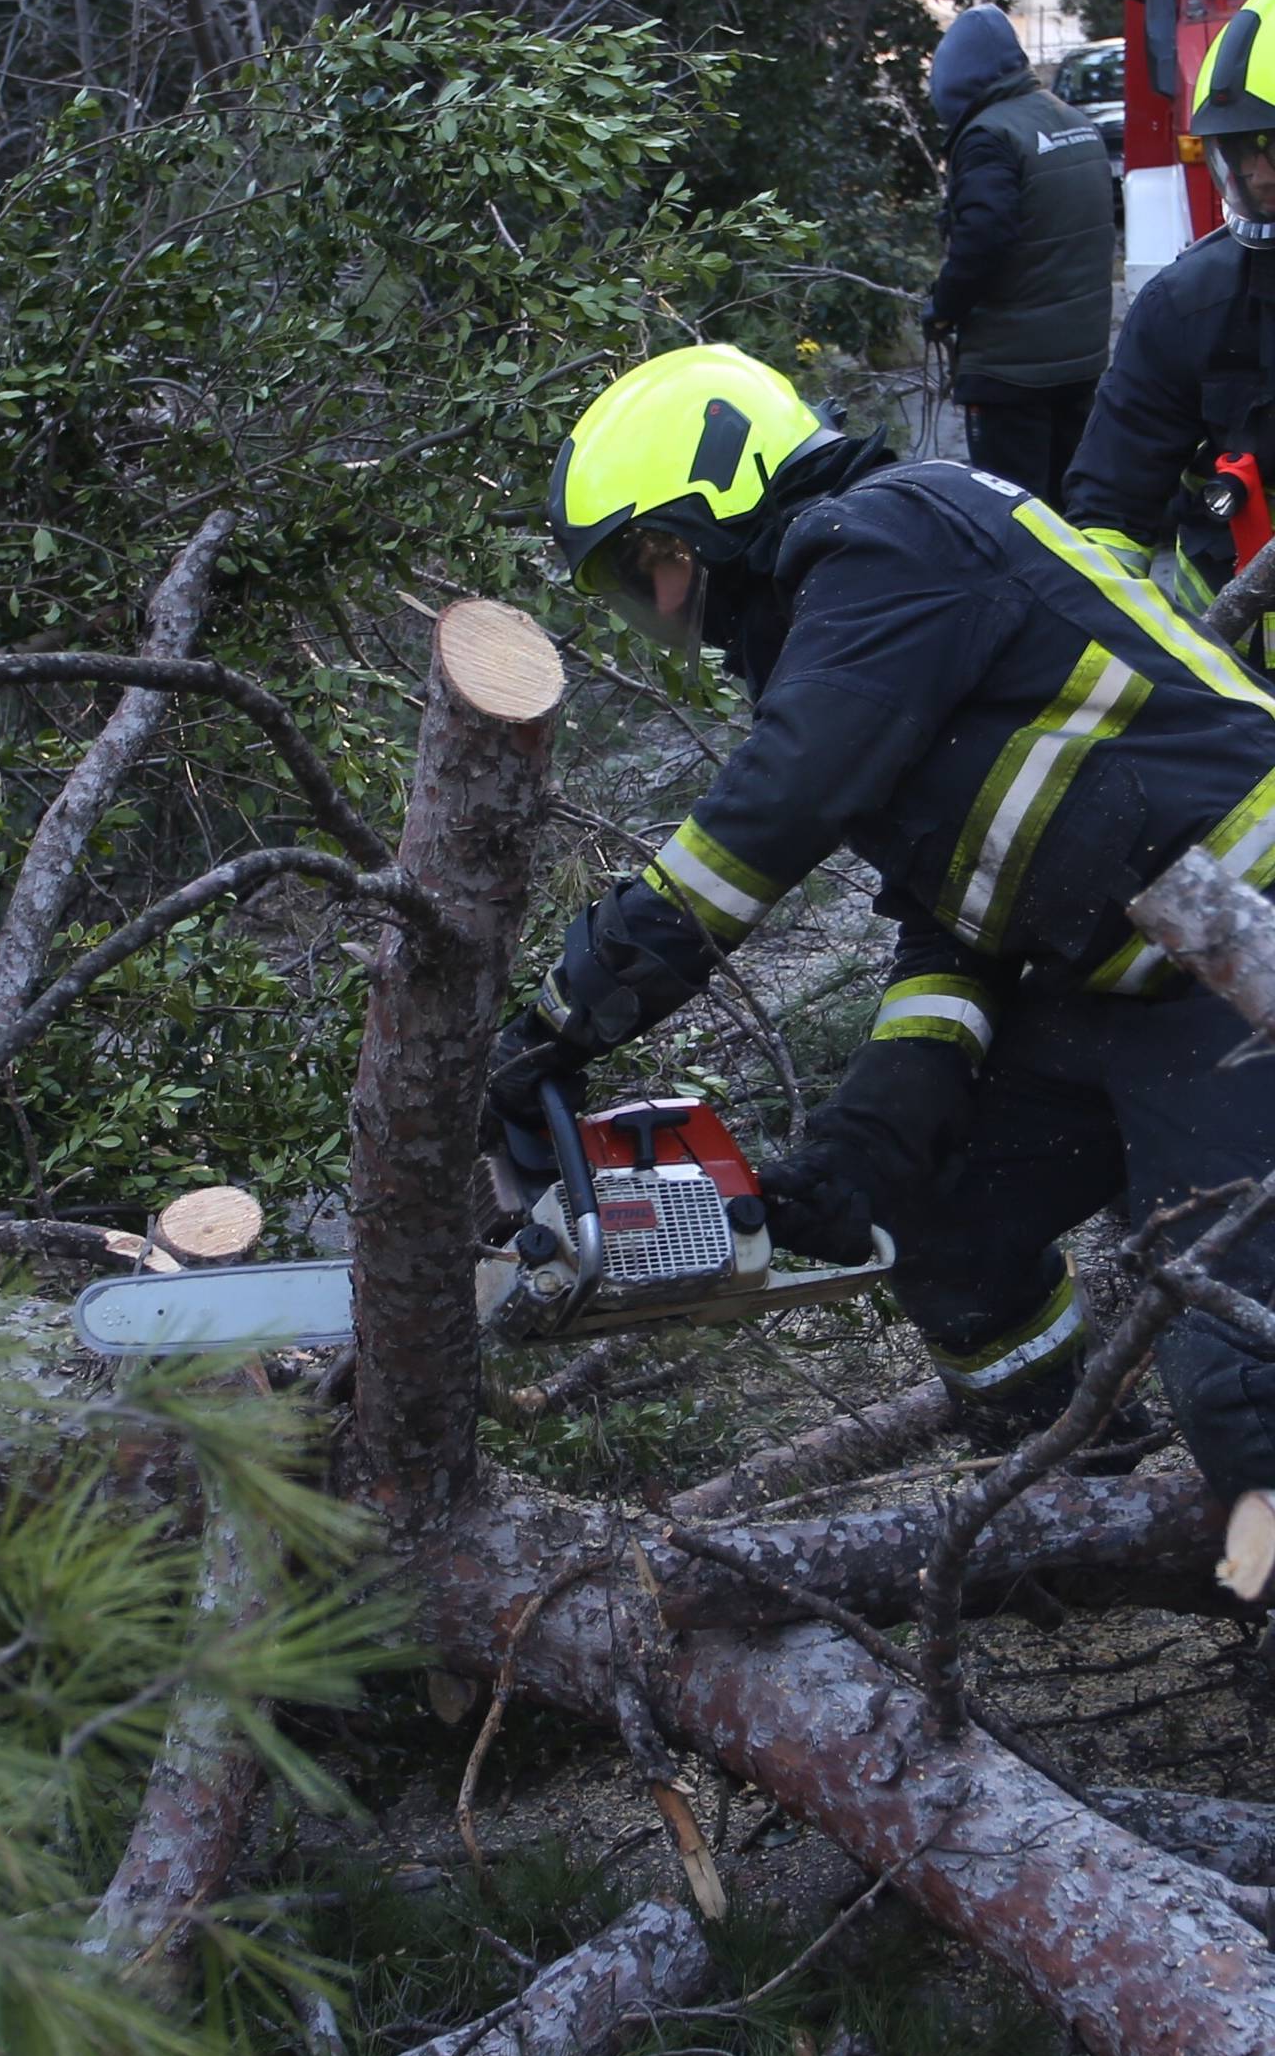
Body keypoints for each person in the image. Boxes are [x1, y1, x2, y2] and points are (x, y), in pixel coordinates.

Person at [487, 341, 1275, 1499]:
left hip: (1242, 937)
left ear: (716, 507)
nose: (660, 602)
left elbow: (783, 796)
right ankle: (1077, 1492)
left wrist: (585, 996)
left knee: (1239, 1362)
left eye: (651, 562)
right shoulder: (842, 610)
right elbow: (948, 913)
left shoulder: (891, 533)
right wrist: (881, 1117)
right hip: (1121, 962)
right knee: (940, 1222)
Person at [1064, 0, 1275, 651]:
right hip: (1231, 676)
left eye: (1273, 145)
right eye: (1243, 152)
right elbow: (1109, 511)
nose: (1260, 175)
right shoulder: (1187, 306)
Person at [924, 3, 1115, 506]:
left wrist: (942, 309)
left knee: (1015, 516)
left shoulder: (990, 136)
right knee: (1073, 507)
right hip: (1081, 359)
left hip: (1012, 371)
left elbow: (981, 241)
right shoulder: (1071, 120)